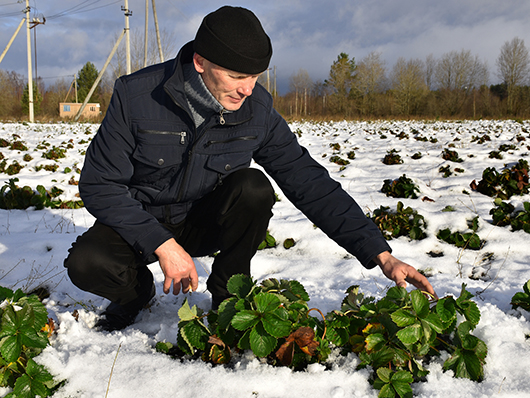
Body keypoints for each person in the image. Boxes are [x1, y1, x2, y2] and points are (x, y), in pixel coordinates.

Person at [64, 5, 436, 332]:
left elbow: (308, 180)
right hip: (143, 224)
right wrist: (161, 244)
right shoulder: (137, 96)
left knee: (254, 187)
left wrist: (380, 254)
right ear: (200, 63)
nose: (247, 89)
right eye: (237, 77)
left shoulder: (256, 110)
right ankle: (136, 295)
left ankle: (229, 295)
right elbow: (100, 186)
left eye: (256, 76)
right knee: (87, 263)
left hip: (204, 220)